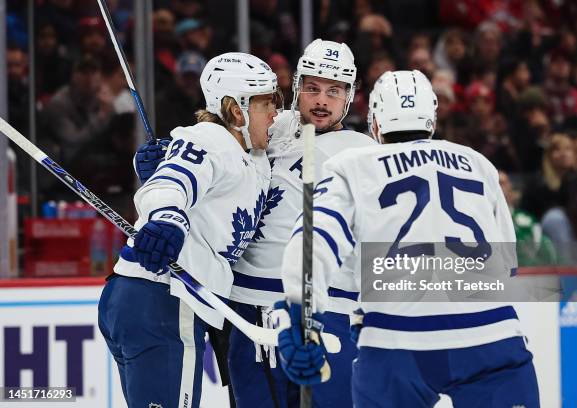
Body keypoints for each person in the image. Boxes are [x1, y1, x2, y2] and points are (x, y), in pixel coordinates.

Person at [276, 70, 540, 407]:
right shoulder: (479, 164)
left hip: (396, 338)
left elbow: (312, 241)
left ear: (375, 124)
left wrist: (299, 310)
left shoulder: (352, 164)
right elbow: (507, 266)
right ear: (432, 119)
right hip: (490, 336)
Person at [98, 52, 280, 408]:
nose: (275, 112)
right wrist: (168, 218)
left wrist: (165, 155)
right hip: (163, 299)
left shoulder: (247, 153)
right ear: (236, 110)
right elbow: (169, 185)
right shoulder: (211, 140)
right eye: (266, 103)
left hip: (142, 302)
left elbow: (181, 171)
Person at [227, 39, 375, 408]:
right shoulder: (270, 126)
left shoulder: (363, 152)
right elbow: (215, 147)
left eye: (333, 90)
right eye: (312, 88)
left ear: (349, 96)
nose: (321, 100)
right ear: (295, 87)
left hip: (329, 312)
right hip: (249, 306)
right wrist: (168, 157)